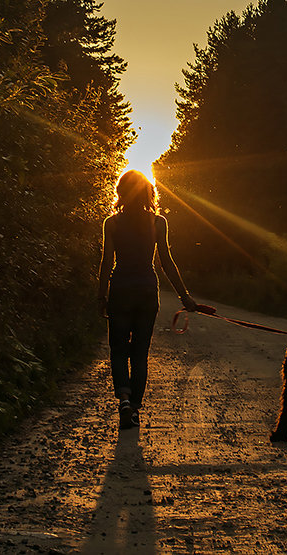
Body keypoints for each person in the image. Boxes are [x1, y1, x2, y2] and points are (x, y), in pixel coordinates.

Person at [98, 169, 196, 429]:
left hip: (120, 290)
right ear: (148, 192)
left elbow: (107, 261)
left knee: (118, 350)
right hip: (146, 292)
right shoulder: (158, 222)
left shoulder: (112, 223)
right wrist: (184, 296)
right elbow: (166, 262)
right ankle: (135, 408)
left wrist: (101, 295)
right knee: (140, 352)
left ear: (121, 192)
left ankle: (125, 401)